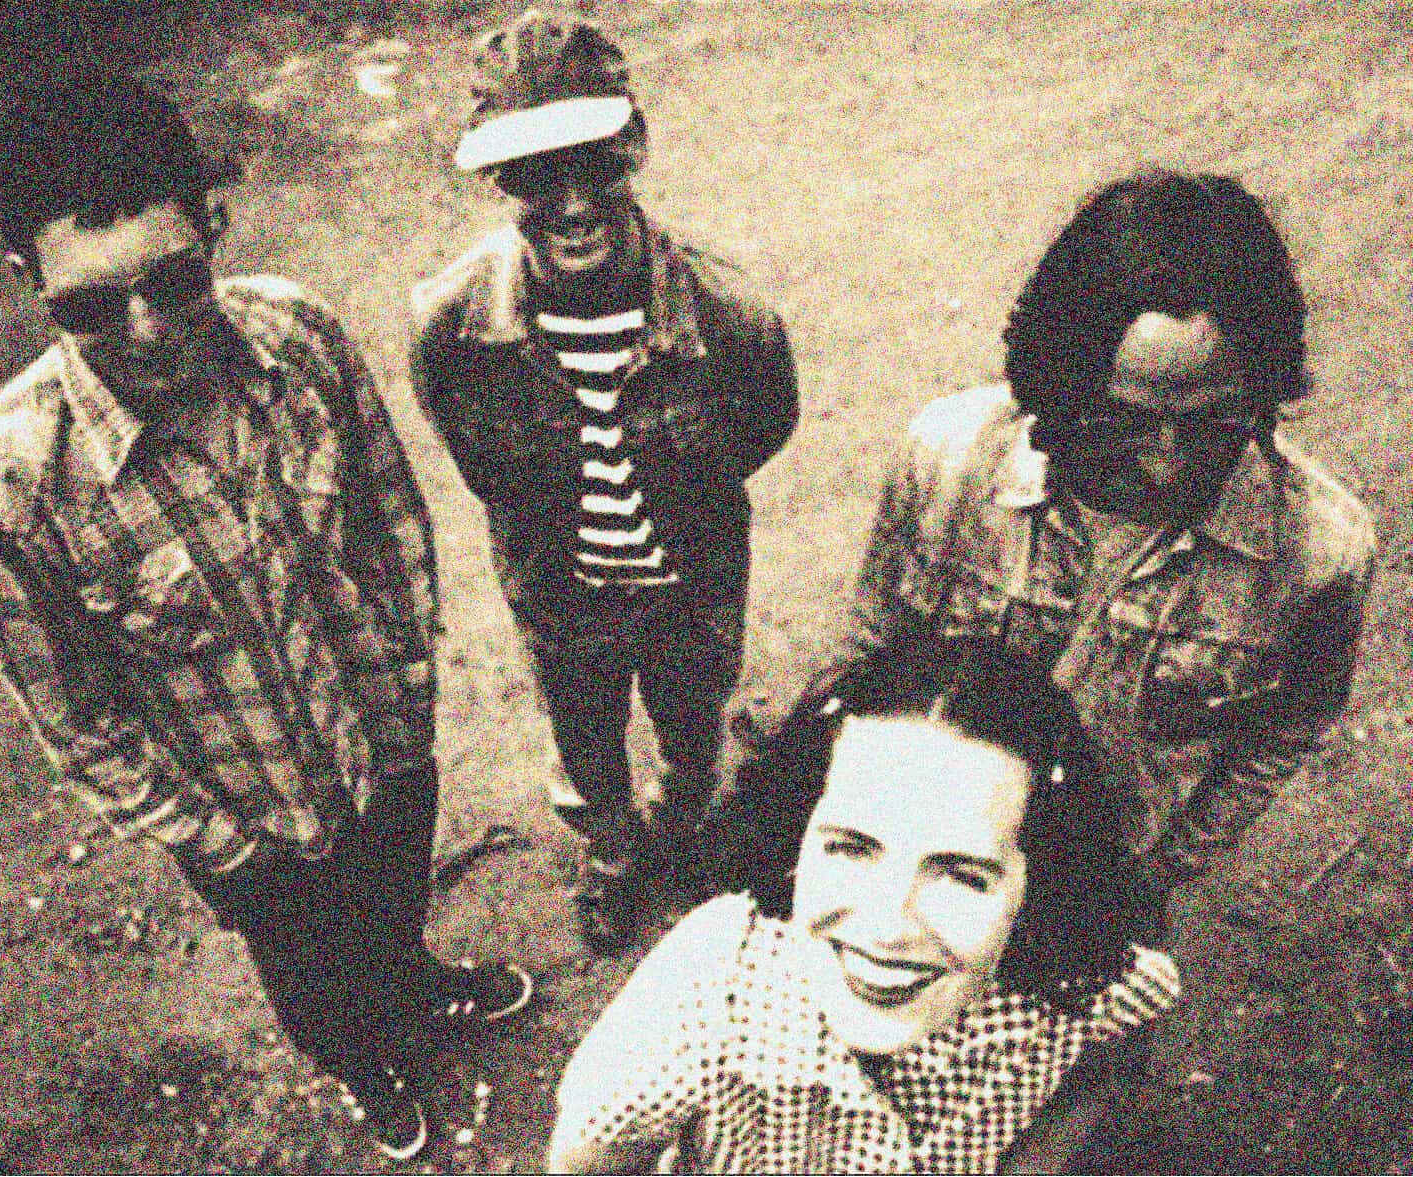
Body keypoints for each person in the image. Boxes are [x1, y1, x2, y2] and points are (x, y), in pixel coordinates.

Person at [0, 74, 530, 1162]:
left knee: (392, 903)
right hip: (243, 827)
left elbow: (389, 528)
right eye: (89, 305)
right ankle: (364, 1061)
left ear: (214, 222)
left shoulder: (300, 338)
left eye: (174, 279)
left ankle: (413, 986)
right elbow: (76, 721)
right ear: (28, 282)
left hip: (381, 749)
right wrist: (224, 847)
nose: (147, 331)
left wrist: (405, 711)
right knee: (308, 976)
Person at [724, 168, 1374, 899]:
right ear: (1057, 382)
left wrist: (1161, 873)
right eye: (1123, 422)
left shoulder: (1322, 553)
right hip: (920, 849)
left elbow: (1288, 727)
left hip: (1096, 881)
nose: (1166, 464)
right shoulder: (947, 463)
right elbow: (875, 645)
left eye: (1211, 424)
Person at [410, 9, 799, 952]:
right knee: (584, 740)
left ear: (635, 147)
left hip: (693, 586)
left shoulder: (729, 311)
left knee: (694, 717)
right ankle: (616, 857)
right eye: (539, 174)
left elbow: (765, 423)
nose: (573, 202)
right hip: (560, 594)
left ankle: (688, 820)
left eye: (595, 162)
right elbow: (473, 454)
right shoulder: (451, 326)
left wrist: (680, 498)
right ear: (500, 179)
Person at [547, 663, 1180, 1174]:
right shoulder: (701, 1005)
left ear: (1039, 888)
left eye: (962, 874)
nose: (886, 926)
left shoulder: (1074, 981)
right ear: (793, 840)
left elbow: (1119, 1041)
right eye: (851, 847)